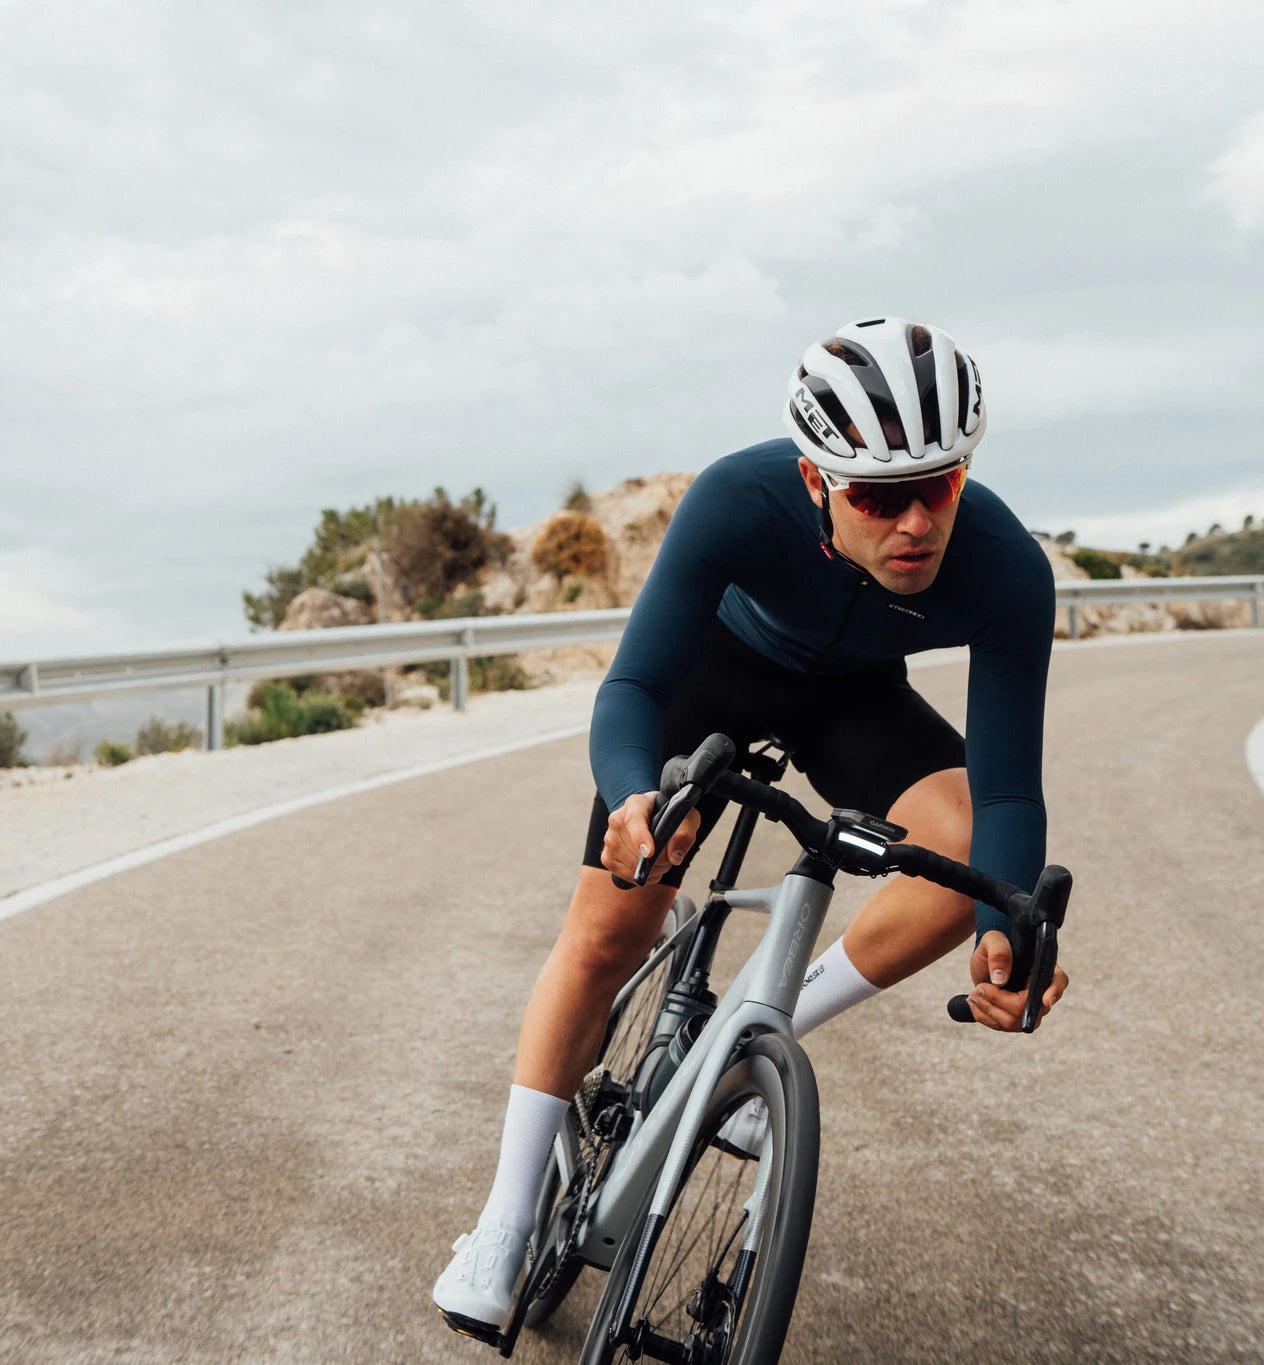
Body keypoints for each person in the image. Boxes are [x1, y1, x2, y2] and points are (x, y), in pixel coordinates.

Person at [432, 316, 1071, 1338]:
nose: (913, 524)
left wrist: (1010, 934)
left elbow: (1003, 798)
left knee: (959, 856)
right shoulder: (737, 495)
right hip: (709, 684)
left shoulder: (1002, 570)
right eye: (876, 495)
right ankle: (503, 1221)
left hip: (851, 698)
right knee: (606, 931)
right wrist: (634, 795)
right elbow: (634, 684)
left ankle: (745, 1042)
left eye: (938, 485)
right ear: (816, 482)